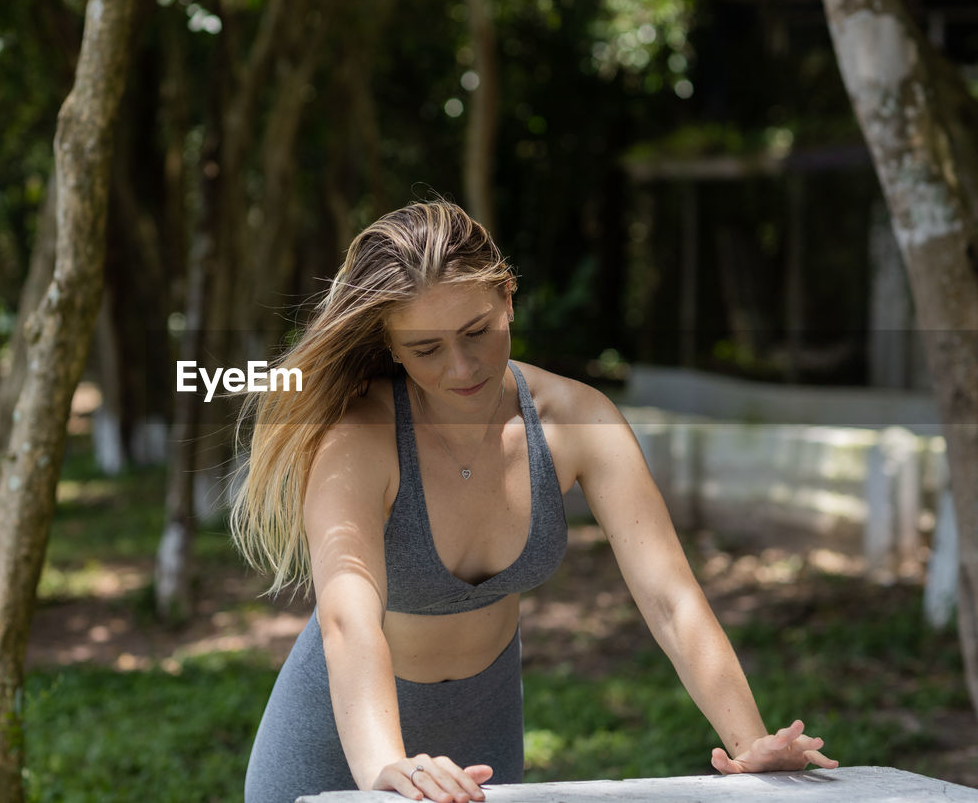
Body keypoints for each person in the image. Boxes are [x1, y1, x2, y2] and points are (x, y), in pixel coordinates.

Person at [232, 201, 836, 803]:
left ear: (509, 298)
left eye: (478, 332)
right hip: (344, 736)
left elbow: (670, 598)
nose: (462, 367)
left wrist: (750, 742)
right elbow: (347, 617)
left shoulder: (578, 421)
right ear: (389, 345)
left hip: (484, 733)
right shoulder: (359, 440)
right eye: (426, 349)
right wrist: (386, 765)